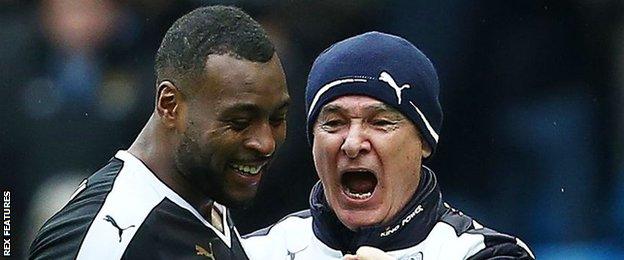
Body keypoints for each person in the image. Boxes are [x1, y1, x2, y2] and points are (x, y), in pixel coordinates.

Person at [242, 31, 534, 259]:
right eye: (334, 123)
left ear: (424, 141)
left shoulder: (487, 253)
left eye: (380, 123)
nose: (353, 144)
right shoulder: (253, 252)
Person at [29, 5, 290, 259]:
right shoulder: (106, 239)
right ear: (170, 105)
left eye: (278, 119)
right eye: (240, 122)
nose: (265, 143)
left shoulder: (207, 194)